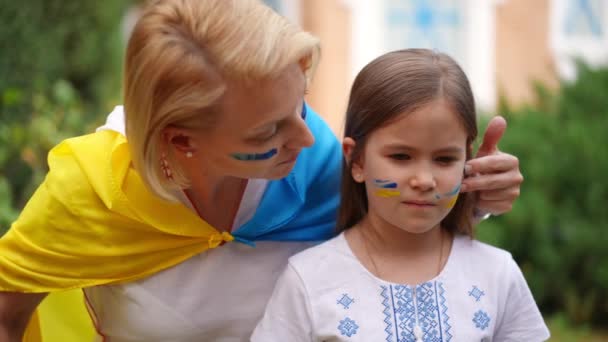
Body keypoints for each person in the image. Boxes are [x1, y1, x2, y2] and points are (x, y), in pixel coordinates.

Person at [0, 0, 523, 341]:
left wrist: (473, 197)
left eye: (302, 106)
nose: (308, 136)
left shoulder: (316, 162)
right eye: (267, 132)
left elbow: (397, 244)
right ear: (181, 141)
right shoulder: (89, 192)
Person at [251, 49, 549, 341]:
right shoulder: (308, 279)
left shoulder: (497, 275)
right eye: (401, 156)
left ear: (467, 161)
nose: (424, 180)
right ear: (357, 161)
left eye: (445, 159)